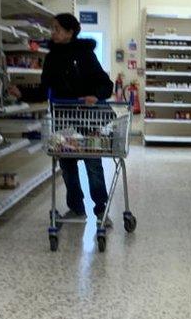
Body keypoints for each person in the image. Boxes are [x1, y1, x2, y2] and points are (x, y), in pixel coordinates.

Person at [8, 13, 114, 227]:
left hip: (88, 119)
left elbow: (105, 84)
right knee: (67, 165)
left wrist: (96, 96)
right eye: (52, 28)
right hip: (63, 119)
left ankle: (101, 210)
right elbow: (45, 89)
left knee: (93, 165)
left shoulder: (85, 54)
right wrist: (21, 93)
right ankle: (76, 209)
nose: (52, 32)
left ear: (69, 32)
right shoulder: (51, 57)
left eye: (56, 28)